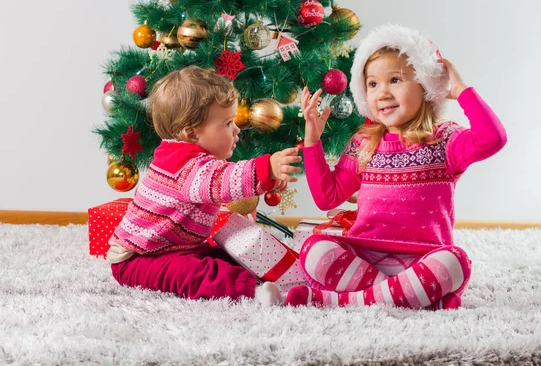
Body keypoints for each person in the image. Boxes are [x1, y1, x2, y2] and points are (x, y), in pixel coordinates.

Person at [285, 24, 507, 309]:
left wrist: (461, 90)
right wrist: (312, 140)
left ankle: (340, 301)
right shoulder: (363, 143)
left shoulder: (445, 139)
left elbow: (493, 139)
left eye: (395, 80)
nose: (382, 93)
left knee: (456, 262)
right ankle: (414, 299)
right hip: (366, 255)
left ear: (425, 85)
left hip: (423, 259)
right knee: (313, 250)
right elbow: (326, 197)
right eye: (373, 84)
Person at [107, 65, 301, 305]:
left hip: (175, 246)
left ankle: (280, 274)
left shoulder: (186, 157)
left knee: (223, 256)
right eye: (228, 123)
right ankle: (252, 293)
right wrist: (266, 170)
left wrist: (268, 181)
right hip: (139, 258)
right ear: (192, 134)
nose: (237, 130)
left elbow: (221, 179)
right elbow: (223, 181)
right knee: (195, 273)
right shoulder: (185, 167)